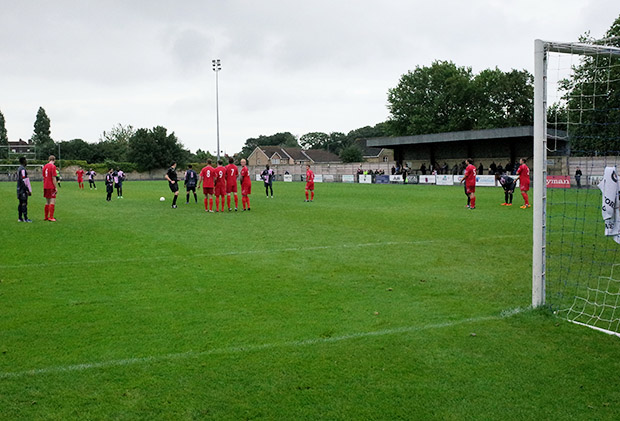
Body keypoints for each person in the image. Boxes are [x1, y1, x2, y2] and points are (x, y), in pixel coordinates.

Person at [16, 156, 33, 222]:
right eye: (26, 160)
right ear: (23, 161)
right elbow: (23, 180)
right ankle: (26, 218)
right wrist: (27, 190)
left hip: (19, 188)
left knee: (20, 203)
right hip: (22, 189)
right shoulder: (22, 169)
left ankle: (20, 218)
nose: (26, 162)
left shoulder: (19, 168)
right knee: (24, 203)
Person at [43, 155, 59, 221]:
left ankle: (46, 217)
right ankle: (51, 217)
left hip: (45, 185)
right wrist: (55, 187)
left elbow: (44, 176)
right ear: (54, 160)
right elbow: (53, 177)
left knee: (47, 201)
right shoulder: (53, 166)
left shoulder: (45, 166)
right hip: (51, 186)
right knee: (52, 200)